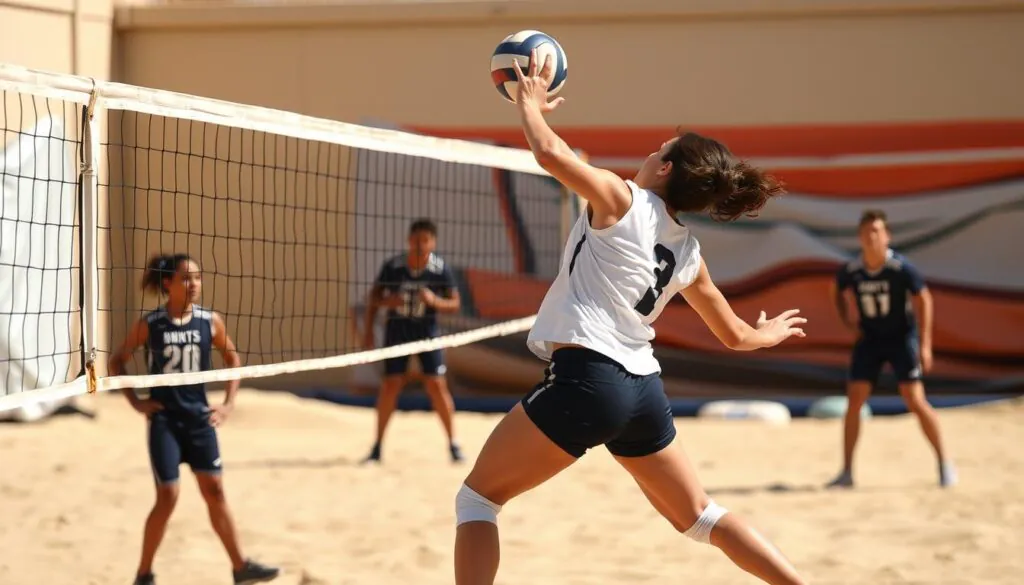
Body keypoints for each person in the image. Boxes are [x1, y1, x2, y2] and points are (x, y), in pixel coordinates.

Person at [453, 50, 809, 585]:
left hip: (589, 379)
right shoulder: (687, 251)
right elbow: (735, 336)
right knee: (701, 517)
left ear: (664, 169)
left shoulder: (623, 198)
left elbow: (549, 154)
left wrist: (528, 106)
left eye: (659, 149)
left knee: (477, 499)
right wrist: (768, 333)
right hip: (642, 389)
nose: (649, 152)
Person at [108, 253, 280, 585]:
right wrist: (135, 402)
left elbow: (233, 360)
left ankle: (240, 567)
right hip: (165, 422)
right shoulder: (151, 323)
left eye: (198, 278)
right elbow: (117, 362)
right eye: (186, 278)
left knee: (214, 490)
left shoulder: (209, 321)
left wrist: (228, 404)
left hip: (200, 420)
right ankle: (144, 574)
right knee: (168, 495)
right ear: (168, 283)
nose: (194, 284)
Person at [826, 210, 956, 489]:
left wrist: (925, 345)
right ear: (859, 237)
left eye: (877, 231)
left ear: (887, 236)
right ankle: (847, 472)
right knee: (854, 401)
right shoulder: (852, 270)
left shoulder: (900, 268)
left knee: (914, 400)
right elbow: (835, 290)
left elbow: (924, 299)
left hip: (900, 339)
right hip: (870, 340)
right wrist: (848, 321)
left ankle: (945, 463)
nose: (872, 237)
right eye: (866, 231)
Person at [362, 219, 464, 463]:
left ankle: (453, 444)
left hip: (427, 333)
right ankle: (377, 447)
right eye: (416, 240)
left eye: (425, 240)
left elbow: (455, 303)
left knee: (436, 386)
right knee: (391, 385)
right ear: (409, 241)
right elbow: (373, 298)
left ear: (433, 242)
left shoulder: (440, 270)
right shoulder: (394, 267)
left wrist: (433, 301)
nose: (420, 245)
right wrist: (384, 309)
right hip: (397, 332)